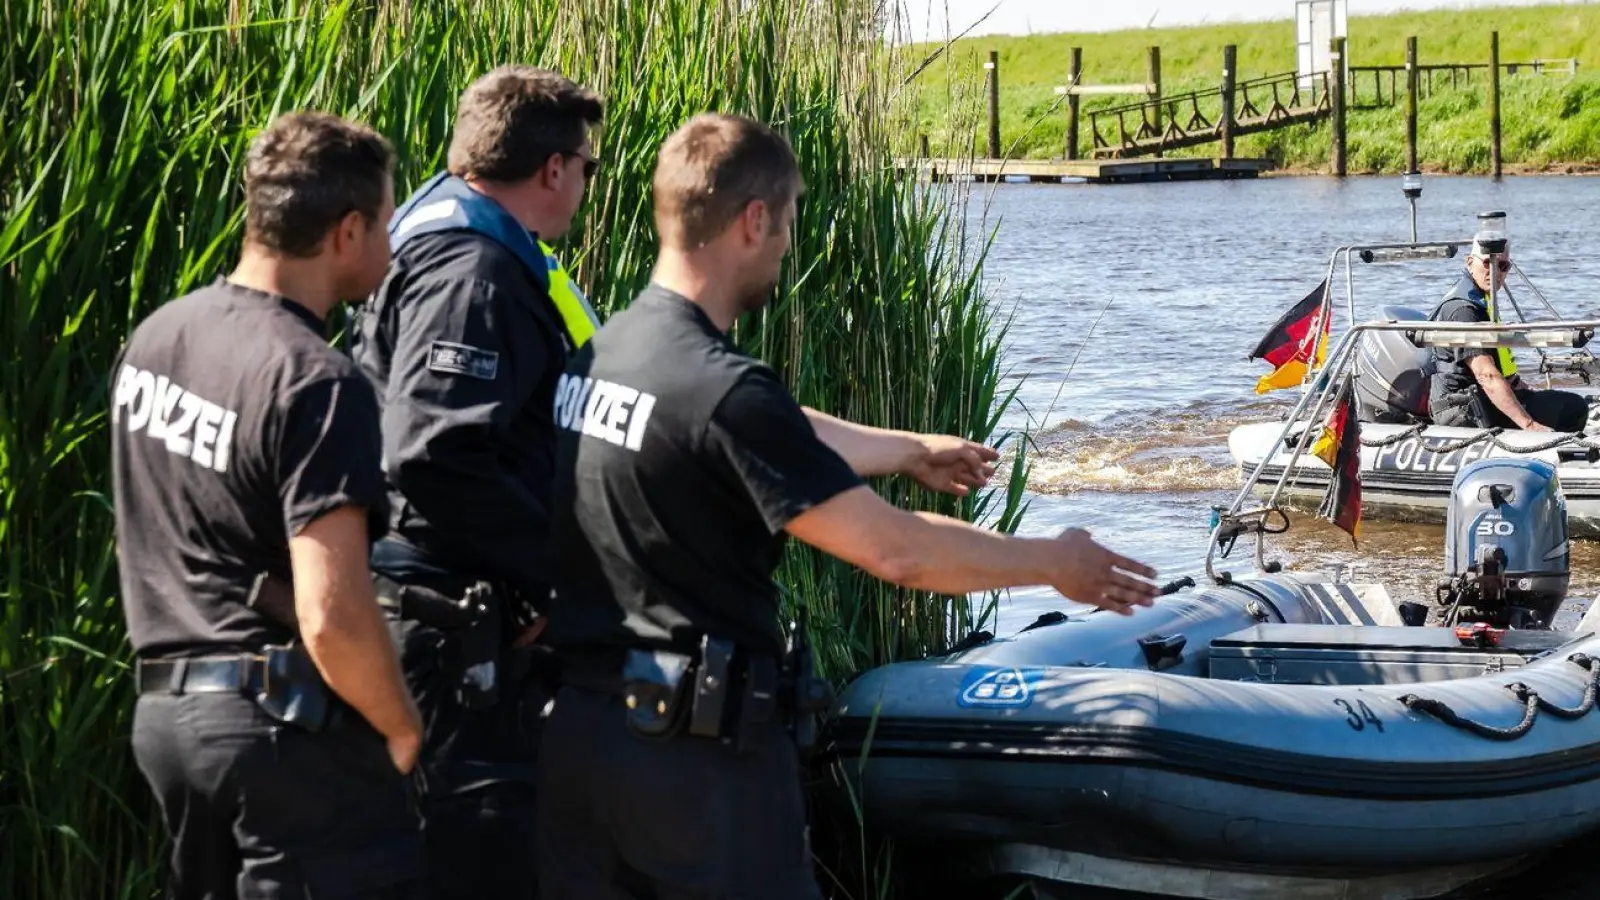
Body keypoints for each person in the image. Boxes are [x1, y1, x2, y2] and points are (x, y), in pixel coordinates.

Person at [535, 112, 1160, 900]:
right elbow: (896, 551)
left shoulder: (601, 355)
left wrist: (906, 449)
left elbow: (752, 436)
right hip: (696, 777)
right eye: (788, 225)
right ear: (753, 220)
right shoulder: (723, 387)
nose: (788, 247)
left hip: (583, 748)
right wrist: (1052, 561)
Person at [110, 111, 426, 898]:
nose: (391, 246)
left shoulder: (159, 336)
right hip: (278, 739)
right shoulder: (317, 381)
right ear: (347, 231)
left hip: (167, 723)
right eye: (387, 223)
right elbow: (332, 613)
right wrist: (401, 726)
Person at [350, 64, 605, 900]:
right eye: (588, 166)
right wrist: (544, 583)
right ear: (554, 168)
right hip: (447, 624)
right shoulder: (472, 271)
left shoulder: (457, 238)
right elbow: (433, 449)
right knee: (474, 858)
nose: (585, 185)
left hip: (455, 613)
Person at [1426, 240, 1589, 432]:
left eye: (1503, 266)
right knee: (1572, 408)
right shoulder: (1464, 310)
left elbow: (1498, 364)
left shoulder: (1480, 299)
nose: (1496, 272)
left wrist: (1522, 388)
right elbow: (1486, 374)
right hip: (1462, 408)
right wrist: (1529, 425)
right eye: (1488, 263)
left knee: (1555, 400)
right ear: (1470, 262)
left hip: (1475, 398)